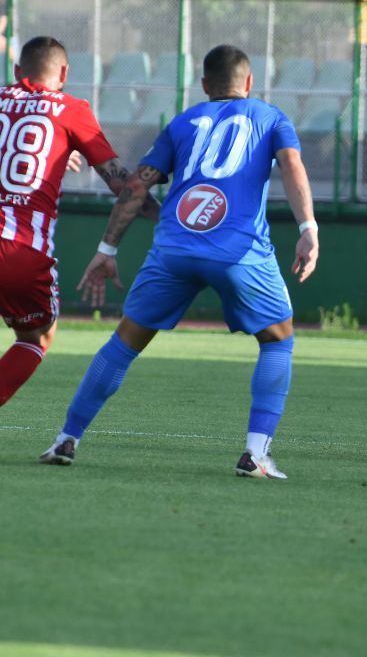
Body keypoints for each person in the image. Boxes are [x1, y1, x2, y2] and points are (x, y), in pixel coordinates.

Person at [38, 45, 319, 479]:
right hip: (238, 252)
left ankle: (66, 438)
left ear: (204, 85)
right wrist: (308, 228)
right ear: (248, 83)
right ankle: (255, 454)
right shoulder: (272, 117)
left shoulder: (183, 122)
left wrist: (107, 249)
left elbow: (134, 187)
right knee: (278, 340)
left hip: (173, 250)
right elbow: (292, 166)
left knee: (124, 343)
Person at [0, 36, 156, 413]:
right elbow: (123, 186)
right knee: (36, 336)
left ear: (18, 72)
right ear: (65, 73)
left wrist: (52, 156)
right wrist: (168, 217)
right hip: (20, 249)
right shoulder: (71, 110)